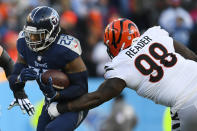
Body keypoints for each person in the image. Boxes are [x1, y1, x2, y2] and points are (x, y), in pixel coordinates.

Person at [49, 18, 197, 131]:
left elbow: (97, 97)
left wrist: (60, 108)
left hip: (185, 105)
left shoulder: (121, 64)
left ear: (114, 44)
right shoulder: (155, 34)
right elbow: (191, 56)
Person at [7, 6, 88, 131]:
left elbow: (81, 88)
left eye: (37, 36)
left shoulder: (65, 50)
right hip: (51, 102)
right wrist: (19, 78)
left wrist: (57, 95)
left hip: (75, 103)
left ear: (52, 33)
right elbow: (13, 76)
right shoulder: (23, 43)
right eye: (30, 34)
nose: (31, 40)